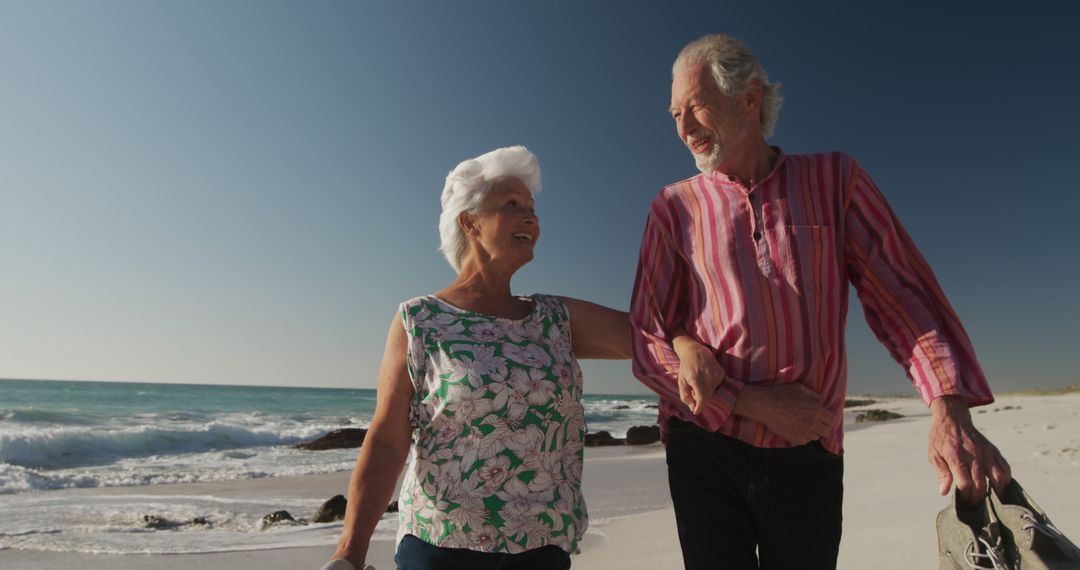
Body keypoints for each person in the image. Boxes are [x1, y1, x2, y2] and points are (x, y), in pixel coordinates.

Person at [629, 34, 1013, 569]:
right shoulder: (673, 206)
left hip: (808, 445)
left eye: (695, 107)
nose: (683, 127)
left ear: (749, 97)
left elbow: (903, 294)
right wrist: (748, 401)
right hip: (704, 444)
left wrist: (949, 408)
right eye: (674, 113)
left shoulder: (835, 179)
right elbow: (648, 335)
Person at [324, 146, 630, 570]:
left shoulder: (554, 319)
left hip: (541, 549)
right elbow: (388, 440)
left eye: (532, 208)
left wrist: (690, 347)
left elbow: (646, 334)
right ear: (469, 222)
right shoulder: (420, 319)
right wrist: (349, 551)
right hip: (440, 546)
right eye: (512, 205)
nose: (532, 218)